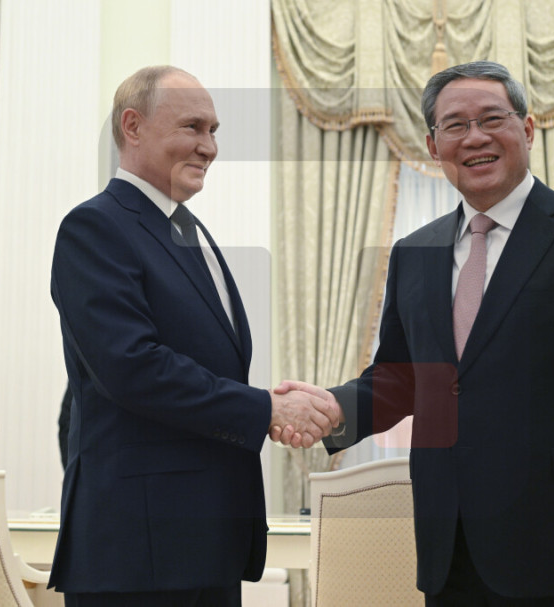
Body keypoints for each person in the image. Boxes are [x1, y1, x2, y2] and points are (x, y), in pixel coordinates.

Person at [275, 61, 554, 605]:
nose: (475, 137)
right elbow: (401, 379)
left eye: (491, 119)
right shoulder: (414, 252)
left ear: (526, 129)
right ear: (434, 146)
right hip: (448, 541)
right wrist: (332, 408)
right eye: (455, 125)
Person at [49, 65, 338, 606]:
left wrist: (269, 407)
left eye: (214, 131)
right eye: (193, 127)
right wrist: (265, 410)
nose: (209, 147)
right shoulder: (95, 227)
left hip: (206, 541)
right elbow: (133, 367)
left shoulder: (187, 229)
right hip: (138, 552)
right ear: (132, 126)